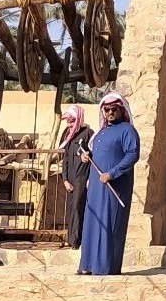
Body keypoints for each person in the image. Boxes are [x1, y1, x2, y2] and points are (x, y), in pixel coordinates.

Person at [79, 93, 140, 276]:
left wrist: (112, 173)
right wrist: (86, 156)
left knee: (109, 225)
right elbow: (96, 154)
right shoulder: (101, 132)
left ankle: (105, 267)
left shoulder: (127, 130)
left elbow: (132, 154)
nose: (110, 112)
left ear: (121, 110)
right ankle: (88, 265)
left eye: (114, 109)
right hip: (96, 188)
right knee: (92, 223)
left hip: (114, 187)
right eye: (107, 110)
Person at [57, 105, 92, 247]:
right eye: (68, 122)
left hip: (82, 178)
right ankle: (71, 238)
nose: (70, 124)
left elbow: (93, 155)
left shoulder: (89, 133)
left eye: (72, 121)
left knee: (78, 208)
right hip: (70, 178)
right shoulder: (67, 134)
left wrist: (86, 156)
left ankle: (76, 241)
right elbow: (64, 159)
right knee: (71, 208)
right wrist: (64, 179)